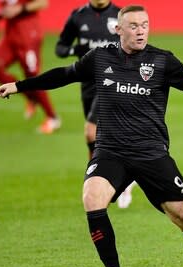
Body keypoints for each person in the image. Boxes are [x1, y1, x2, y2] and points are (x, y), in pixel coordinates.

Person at [0, 5, 183, 267]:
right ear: (118, 30)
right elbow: (63, 74)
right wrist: (19, 86)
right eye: (133, 25)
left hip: (151, 153)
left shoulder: (163, 61)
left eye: (145, 24)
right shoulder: (99, 58)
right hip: (111, 151)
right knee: (92, 196)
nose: (141, 30)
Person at [54, 0, 135, 208]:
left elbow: (135, 44)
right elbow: (60, 48)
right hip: (87, 83)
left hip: (112, 81)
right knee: (103, 136)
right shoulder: (78, 16)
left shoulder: (120, 15)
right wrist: (76, 50)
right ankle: (120, 177)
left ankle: (98, 178)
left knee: (91, 132)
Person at [0, 0, 61, 134]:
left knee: (33, 77)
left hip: (28, 34)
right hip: (10, 35)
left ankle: (53, 118)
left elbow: (43, 3)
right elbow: (9, 6)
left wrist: (21, 9)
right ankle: (31, 97)